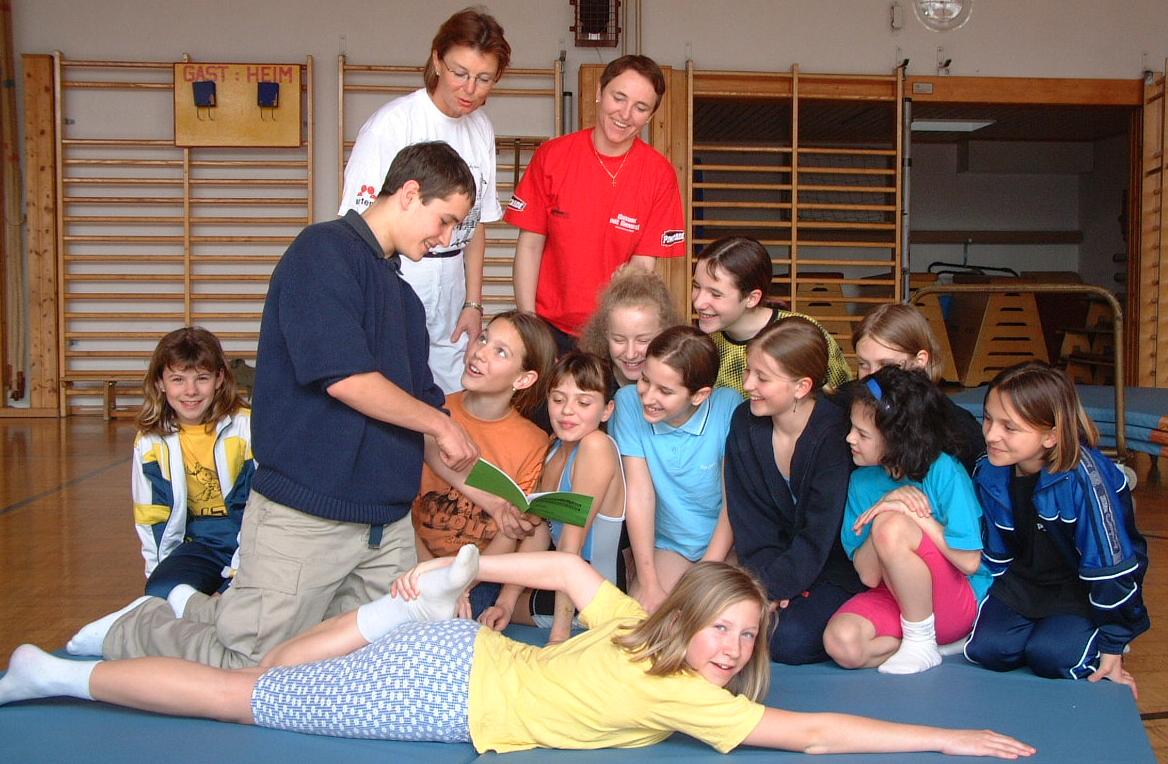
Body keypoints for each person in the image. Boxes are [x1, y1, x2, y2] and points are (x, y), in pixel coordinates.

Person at [0, 547, 1036, 760]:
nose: (728, 649)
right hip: (443, 695)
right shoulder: (682, 688)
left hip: (452, 647)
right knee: (239, 695)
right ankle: (50, 675)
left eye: (743, 637)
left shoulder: (636, 629)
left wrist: (470, 568)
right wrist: (947, 738)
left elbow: (568, 569)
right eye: (719, 628)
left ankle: (395, 614)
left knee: (263, 671)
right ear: (685, 624)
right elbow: (812, 732)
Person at [64, 141, 480, 669]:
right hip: (307, 517)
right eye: (445, 221)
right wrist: (440, 427)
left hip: (386, 528)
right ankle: (137, 627)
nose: (445, 239)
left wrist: (494, 500)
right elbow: (345, 378)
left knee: (364, 664)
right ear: (410, 193)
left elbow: (427, 415)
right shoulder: (321, 254)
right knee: (252, 663)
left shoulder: (404, 301)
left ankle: (198, 607)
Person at [338, 8, 510, 393]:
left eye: (484, 79)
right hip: (399, 274)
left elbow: (476, 225)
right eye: (459, 73)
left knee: (453, 394)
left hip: (452, 282)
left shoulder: (481, 128)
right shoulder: (393, 124)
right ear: (437, 60)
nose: (470, 88)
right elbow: (359, 228)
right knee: (396, 388)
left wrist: (473, 303)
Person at [964, 362, 1149, 697]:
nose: (990, 435)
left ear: (1050, 435)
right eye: (988, 419)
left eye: (1009, 427)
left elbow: (1111, 568)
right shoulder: (989, 469)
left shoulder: (1085, 479)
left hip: (1079, 588)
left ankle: (1090, 635)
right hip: (1025, 582)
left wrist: (1113, 643)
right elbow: (994, 552)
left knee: (1052, 657)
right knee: (988, 650)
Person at [507, 55, 685, 353]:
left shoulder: (659, 174)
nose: (625, 114)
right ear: (600, 92)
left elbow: (642, 265)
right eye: (619, 98)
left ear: (650, 116)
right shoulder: (552, 156)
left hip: (612, 333)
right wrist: (529, 323)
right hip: (547, 327)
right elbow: (530, 245)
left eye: (640, 107)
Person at [823, 367, 991, 676]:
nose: (849, 438)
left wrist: (913, 515)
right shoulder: (861, 481)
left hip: (956, 600)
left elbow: (969, 562)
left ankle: (921, 639)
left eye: (862, 434)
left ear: (896, 440)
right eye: (852, 428)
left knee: (891, 524)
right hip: (897, 596)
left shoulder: (943, 470)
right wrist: (887, 505)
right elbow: (869, 576)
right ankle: (926, 642)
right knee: (841, 643)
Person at [725, 316, 864, 665]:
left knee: (786, 639)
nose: (747, 384)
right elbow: (749, 520)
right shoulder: (744, 422)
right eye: (748, 371)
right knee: (733, 623)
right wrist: (764, 584)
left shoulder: (835, 433)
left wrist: (777, 586)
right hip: (771, 563)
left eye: (762, 378)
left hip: (834, 564)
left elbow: (822, 532)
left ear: (802, 386)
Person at [410, 309, 555, 614]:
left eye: (500, 352)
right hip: (414, 561)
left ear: (524, 378)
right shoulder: (431, 413)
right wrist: (429, 577)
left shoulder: (534, 442)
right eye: (484, 339)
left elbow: (511, 530)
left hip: (480, 577)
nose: (480, 353)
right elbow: (402, 512)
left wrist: (461, 586)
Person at [478, 351, 626, 643]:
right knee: (487, 605)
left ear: (606, 410)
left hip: (594, 598)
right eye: (558, 400)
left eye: (583, 403)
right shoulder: (554, 449)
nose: (567, 411)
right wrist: (506, 602)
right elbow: (538, 533)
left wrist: (559, 636)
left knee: (477, 606)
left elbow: (572, 545)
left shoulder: (596, 446)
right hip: (564, 587)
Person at [611, 326, 740, 613]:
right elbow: (640, 496)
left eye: (665, 391)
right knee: (641, 618)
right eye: (645, 379)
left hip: (727, 545)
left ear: (699, 395)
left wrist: (705, 574)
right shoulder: (628, 402)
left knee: (711, 617)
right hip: (670, 546)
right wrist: (648, 582)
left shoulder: (728, 406)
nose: (648, 397)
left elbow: (733, 501)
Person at [132, 327, 253, 599]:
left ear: (219, 379)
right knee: (162, 592)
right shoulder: (150, 442)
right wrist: (158, 576)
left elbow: (260, 509)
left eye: (202, 378)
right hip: (199, 543)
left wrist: (238, 575)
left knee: (240, 597)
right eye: (178, 379)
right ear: (160, 382)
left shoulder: (247, 428)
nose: (190, 391)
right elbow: (150, 517)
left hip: (248, 539)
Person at [691, 236, 852, 396]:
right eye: (696, 286)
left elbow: (843, 396)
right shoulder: (704, 345)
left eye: (716, 294)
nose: (698, 303)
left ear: (752, 298)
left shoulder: (800, 332)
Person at [851, 303, 983, 474]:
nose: (873, 375)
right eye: (863, 364)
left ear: (919, 361)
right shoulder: (848, 412)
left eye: (886, 365)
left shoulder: (958, 430)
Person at [578, 264, 680, 389]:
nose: (630, 354)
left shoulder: (682, 382)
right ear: (604, 334)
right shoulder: (587, 382)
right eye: (619, 340)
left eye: (643, 341)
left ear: (666, 334)